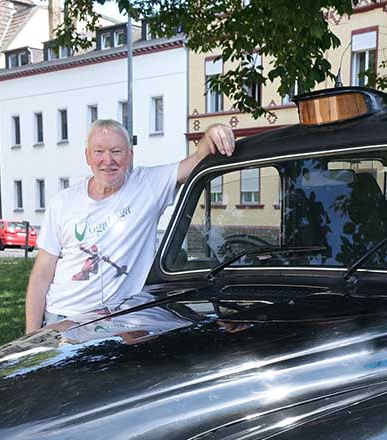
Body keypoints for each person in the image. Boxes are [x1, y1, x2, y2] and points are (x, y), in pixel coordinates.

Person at [25, 119, 235, 333]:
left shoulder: (148, 185)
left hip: (117, 321)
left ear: (130, 156)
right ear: (87, 156)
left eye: (116, 151)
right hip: (62, 318)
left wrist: (213, 132)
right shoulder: (63, 202)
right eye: (99, 151)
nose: (108, 160)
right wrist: (31, 336)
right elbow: (42, 273)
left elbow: (199, 158)